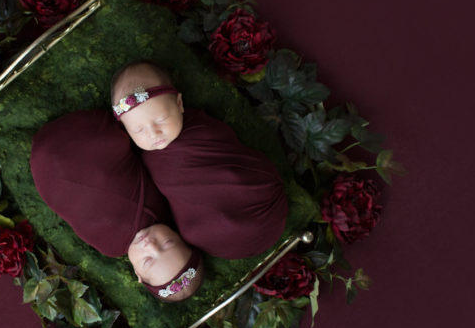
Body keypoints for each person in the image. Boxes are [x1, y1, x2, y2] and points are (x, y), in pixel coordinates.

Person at [111, 60, 289, 260]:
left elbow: (228, 148)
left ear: (179, 104)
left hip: (256, 200)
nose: (154, 133)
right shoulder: (145, 158)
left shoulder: (201, 128)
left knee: (242, 184)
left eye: (161, 120)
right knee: (195, 233)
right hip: (210, 234)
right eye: (139, 130)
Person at [30, 109, 203, 302]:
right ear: (179, 235)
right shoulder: (165, 207)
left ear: (137, 274)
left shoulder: (111, 247)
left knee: (69, 188)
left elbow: (80, 216)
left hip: (50, 172)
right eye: (167, 243)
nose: (150, 245)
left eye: (147, 261)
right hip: (88, 143)